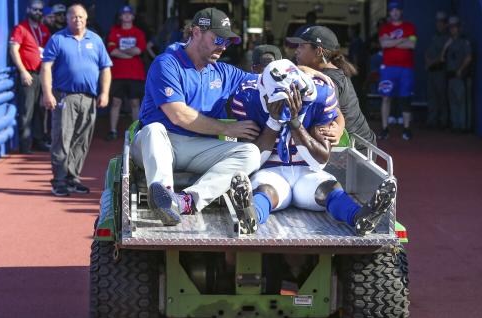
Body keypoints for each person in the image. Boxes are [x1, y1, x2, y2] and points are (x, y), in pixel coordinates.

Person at [131, 7, 264, 231]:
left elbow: (267, 80)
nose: (223, 46)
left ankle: (185, 201)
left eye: (227, 41)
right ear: (195, 32)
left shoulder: (224, 71)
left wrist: (306, 72)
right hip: (158, 144)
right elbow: (178, 114)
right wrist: (229, 129)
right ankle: (163, 195)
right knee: (154, 129)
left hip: (198, 148)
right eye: (218, 39)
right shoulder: (167, 63)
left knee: (251, 154)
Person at [231, 59, 397, 235]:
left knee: (329, 188)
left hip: (308, 171)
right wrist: (274, 121)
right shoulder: (248, 96)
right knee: (265, 191)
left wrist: (294, 122)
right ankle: (251, 217)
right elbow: (253, 159)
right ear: (263, 93)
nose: (294, 102)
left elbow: (319, 162)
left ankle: (360, 217)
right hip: (270, 170)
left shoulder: (321, 93)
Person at [40, 4, 112, 196]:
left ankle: (73, 177)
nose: (77, 20)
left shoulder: (95, 40)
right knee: (62, 139)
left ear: (86, 18)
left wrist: (104, 93)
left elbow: (105, 67)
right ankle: (59, 180)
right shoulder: (57, 39)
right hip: (65, 97)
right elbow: (46, 67)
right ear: (67, 19)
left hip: (89, 98)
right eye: (73, 17)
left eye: (81, 17)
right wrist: (47, 93)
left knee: (82, 141)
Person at [287, 26, 376, 150]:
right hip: (356, 146)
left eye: (301, 46)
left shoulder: (330, 79)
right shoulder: (322, 72)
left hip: (357, 151)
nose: (296, 51)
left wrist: (338, 129)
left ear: (318, 51)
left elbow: (335, 113)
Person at [9, 0, 51, 154]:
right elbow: (14, 50)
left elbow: (48, 52)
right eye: (35, 10)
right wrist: (22, 71)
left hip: (42, 74)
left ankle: (38, 141)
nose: (38, 12)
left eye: (40, 10)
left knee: (41, 109)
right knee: (27, 110)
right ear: (28, 10)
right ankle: (25, 144)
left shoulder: (44, 29)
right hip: (28, 74)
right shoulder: (21, 28)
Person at [105, 5, 147, 141]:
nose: (127, 16)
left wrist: (121, 52)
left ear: (133, 16)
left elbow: (139, 50)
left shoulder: (139, 32)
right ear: (120, 17)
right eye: (124, 14)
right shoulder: (114, 31)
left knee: (135, 103)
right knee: (116, 102)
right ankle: (112, 130)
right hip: (117, 73)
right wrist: (130, 53)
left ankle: (136, 131)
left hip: (135, 74)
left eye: (129, 14)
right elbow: (112, 50)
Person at [378, 1, 417, 140]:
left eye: (397, 10)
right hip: (388, 69)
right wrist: (402, 40)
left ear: (401, 11)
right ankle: (384, 128)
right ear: (389, 12)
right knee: (386, 97)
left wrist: (392, 41)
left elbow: (412, 44)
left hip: (406, 69)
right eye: (392, 10)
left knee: (406, 98)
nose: (395, 12)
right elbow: (383, 43)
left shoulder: (409, 27)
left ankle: (406, 129)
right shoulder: (385, 28)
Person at [443, 16, 472, 132]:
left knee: (461, 102)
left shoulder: (464, 41)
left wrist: (461, 69)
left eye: (454, 27)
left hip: (460, 75)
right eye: (450, 27)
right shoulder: (449, 42)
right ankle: (456, 125)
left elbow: (469, 57)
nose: (452, 29)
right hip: (450, 75)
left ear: (459, 27)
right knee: (453, 101)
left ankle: (463, 126)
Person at [425, 11, 449, 129]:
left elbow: (443, 57)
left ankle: (443, 121)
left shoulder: (447, 38)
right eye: (438, 22)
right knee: (432, 97)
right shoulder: (434, 36)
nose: (439, 24)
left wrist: (431, 62)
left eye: (442, 22)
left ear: (445, 24)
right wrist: (428, 61)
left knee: (442, 97)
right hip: (431, 71)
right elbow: (428, 52)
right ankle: (432, 121)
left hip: (440, 70)